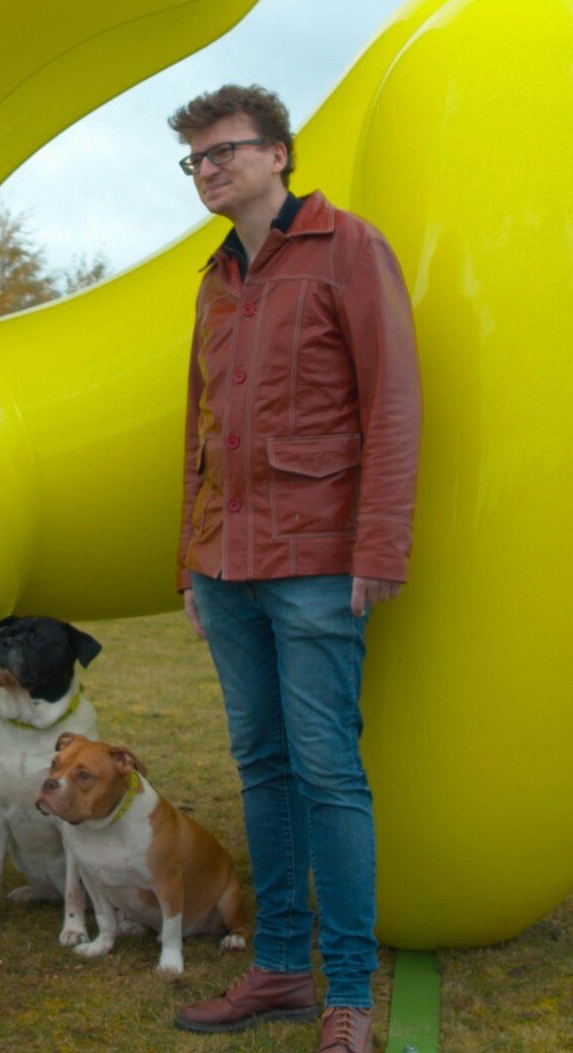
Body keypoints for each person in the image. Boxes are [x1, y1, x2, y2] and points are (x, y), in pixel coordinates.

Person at [168, 86, 421, 1053]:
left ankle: (347, 993)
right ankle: (277, 967)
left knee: (327, 775)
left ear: (279, 153)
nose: (207, 170)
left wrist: (379, 545)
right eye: (194, 159)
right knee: (263, 768)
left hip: (317, 559)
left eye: (223, 151)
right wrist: (187, 563)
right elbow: (198, 426)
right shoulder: (214, 278)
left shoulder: (349, 248)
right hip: (223, 566)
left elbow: (393, 402)